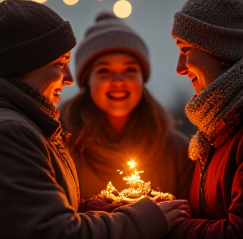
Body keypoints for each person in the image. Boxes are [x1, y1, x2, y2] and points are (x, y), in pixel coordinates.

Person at [0, 0, 191, 239]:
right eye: (59, 64)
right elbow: (56, 236)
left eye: (130, 70)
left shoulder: (175, 147)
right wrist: (142, 219)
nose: (68, 78)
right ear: (27, 64)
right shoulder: (13, 133)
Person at [163, 0, 243, 239]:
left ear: (222, 50)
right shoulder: (217, 130)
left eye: (186, 50)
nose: (180, 67)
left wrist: (163, 228)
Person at [59, 11, 194, 203]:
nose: (118, 81)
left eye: (130, 70)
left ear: (142, 78)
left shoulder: (176, 150)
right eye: (104, 71)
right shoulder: (64, 146)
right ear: (87, 80)